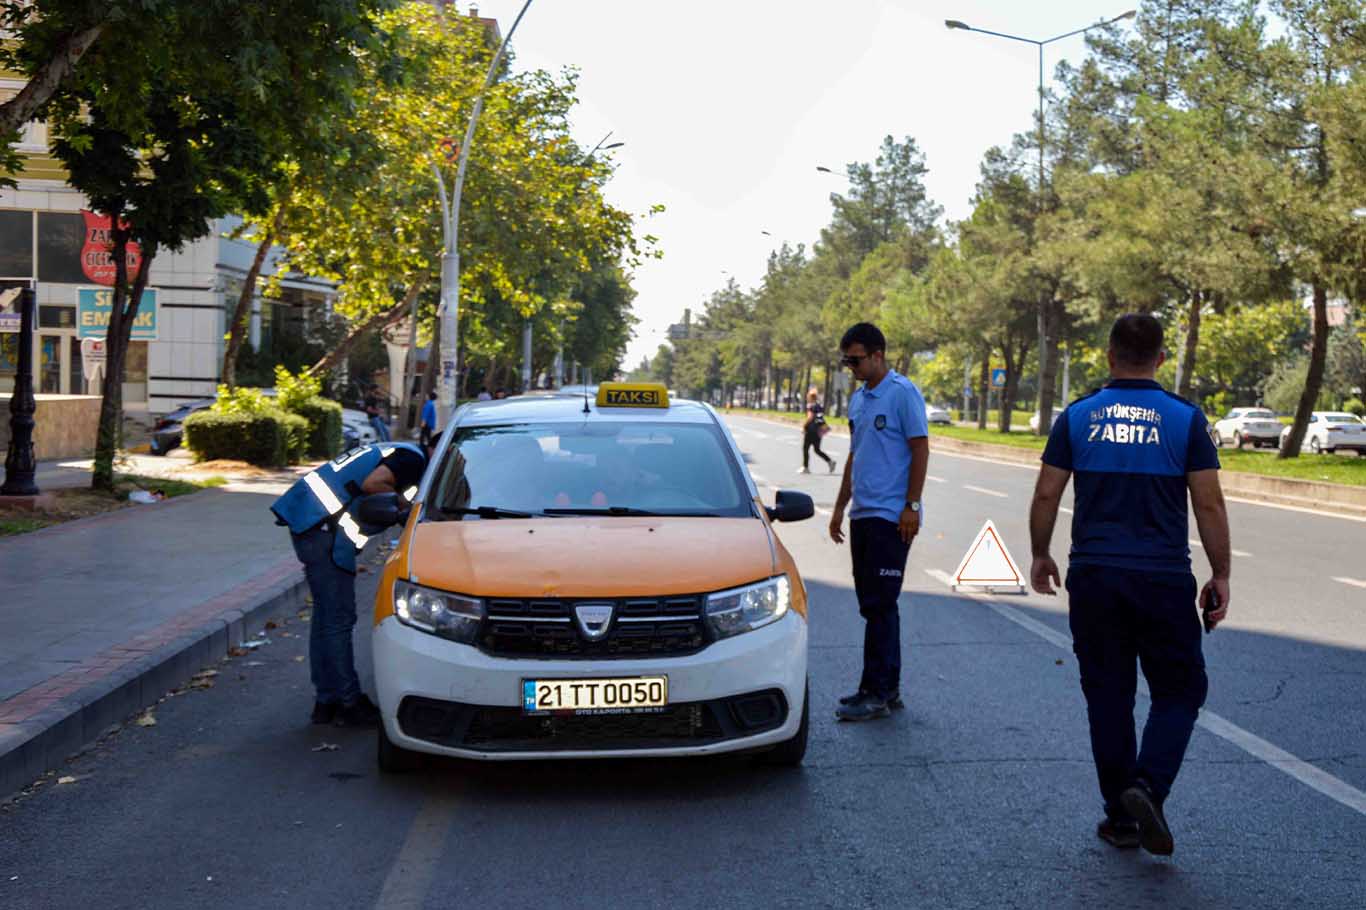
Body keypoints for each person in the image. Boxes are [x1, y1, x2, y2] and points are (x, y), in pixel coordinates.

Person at [1028, 313, 1230, 857]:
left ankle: (1120, 818)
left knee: (1108, 697)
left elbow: (1048, 494)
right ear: (1161, 358)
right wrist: (1222, 573)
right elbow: (1207, 503)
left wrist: (1041, 554)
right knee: (1181, 691)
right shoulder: (1185, 420)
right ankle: (1148, 786)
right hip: (1163, 578)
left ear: (1110, 355)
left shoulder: (1078, 416)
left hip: (1094, 577)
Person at [270, 441, 429, 726]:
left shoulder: (399, 450)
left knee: (326, 618)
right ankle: (348, 702)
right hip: (323, 530)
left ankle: (327, 700)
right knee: (338, 619)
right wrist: (406, 508)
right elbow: (373, 484)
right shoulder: (413, 461)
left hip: (312, 524)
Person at [828, 323, 930, 722]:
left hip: (892, 516)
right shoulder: (858, 401)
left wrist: (912, 505)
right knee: (874, 606)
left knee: (881, 603)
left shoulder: (902, 393)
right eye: (846, 360)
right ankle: (889, 686)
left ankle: (876, 692)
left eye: (855, 359)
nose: (850, 365)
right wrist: (839, 507)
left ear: (877, 355)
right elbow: (855, 455)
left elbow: (920, 449)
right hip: (863, 514)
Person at [800, 386, 836, 474]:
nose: (807, 398)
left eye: (808, 396)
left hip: (811, 431)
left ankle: (805, 467)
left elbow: (810, 417)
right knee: (817, 449)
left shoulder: (811, 406)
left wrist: (804, 426)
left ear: (811, 397)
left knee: (805, 448)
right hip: (818, 431)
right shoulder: (819, 406)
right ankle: (830, 461)